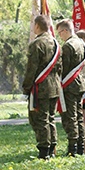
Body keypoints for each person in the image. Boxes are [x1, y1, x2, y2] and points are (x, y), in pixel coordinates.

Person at [22, 15, 62, 159]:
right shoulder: (56, 43)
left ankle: (44, 150)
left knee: (40, 119)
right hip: (54, 86)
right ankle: (52, 147)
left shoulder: (36, 44)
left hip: (41, 87)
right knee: (50, 118)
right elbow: (59, 67)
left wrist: (26, 87)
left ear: (37, 26)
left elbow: (31, 69)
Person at [56, 19, 85, 155]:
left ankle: (72, 148)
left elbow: (64, 68)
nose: (60, 36)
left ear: (66, 30)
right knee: (79, 116)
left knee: (70, 116)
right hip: (79, 83)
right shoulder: (81, 42)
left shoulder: (68, 46)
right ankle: (81, 145)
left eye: (60, 33)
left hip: (70, 84)